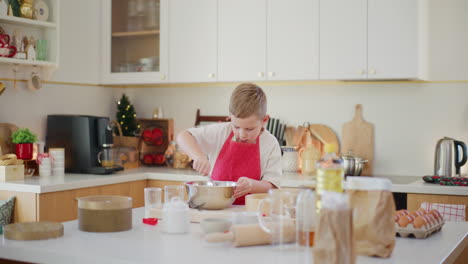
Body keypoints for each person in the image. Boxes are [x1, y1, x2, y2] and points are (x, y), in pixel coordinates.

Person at [177, 83, 281, 205]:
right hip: (216, 207)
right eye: (236, 127)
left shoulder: (270, 144)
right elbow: (183, 136)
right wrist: (198, 156)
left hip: (250, 211)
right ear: (230, 117)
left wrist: (252, 185)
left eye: (249, 129)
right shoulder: (221, 132)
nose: (242, 135)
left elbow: (273, 186)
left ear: (264, 121)